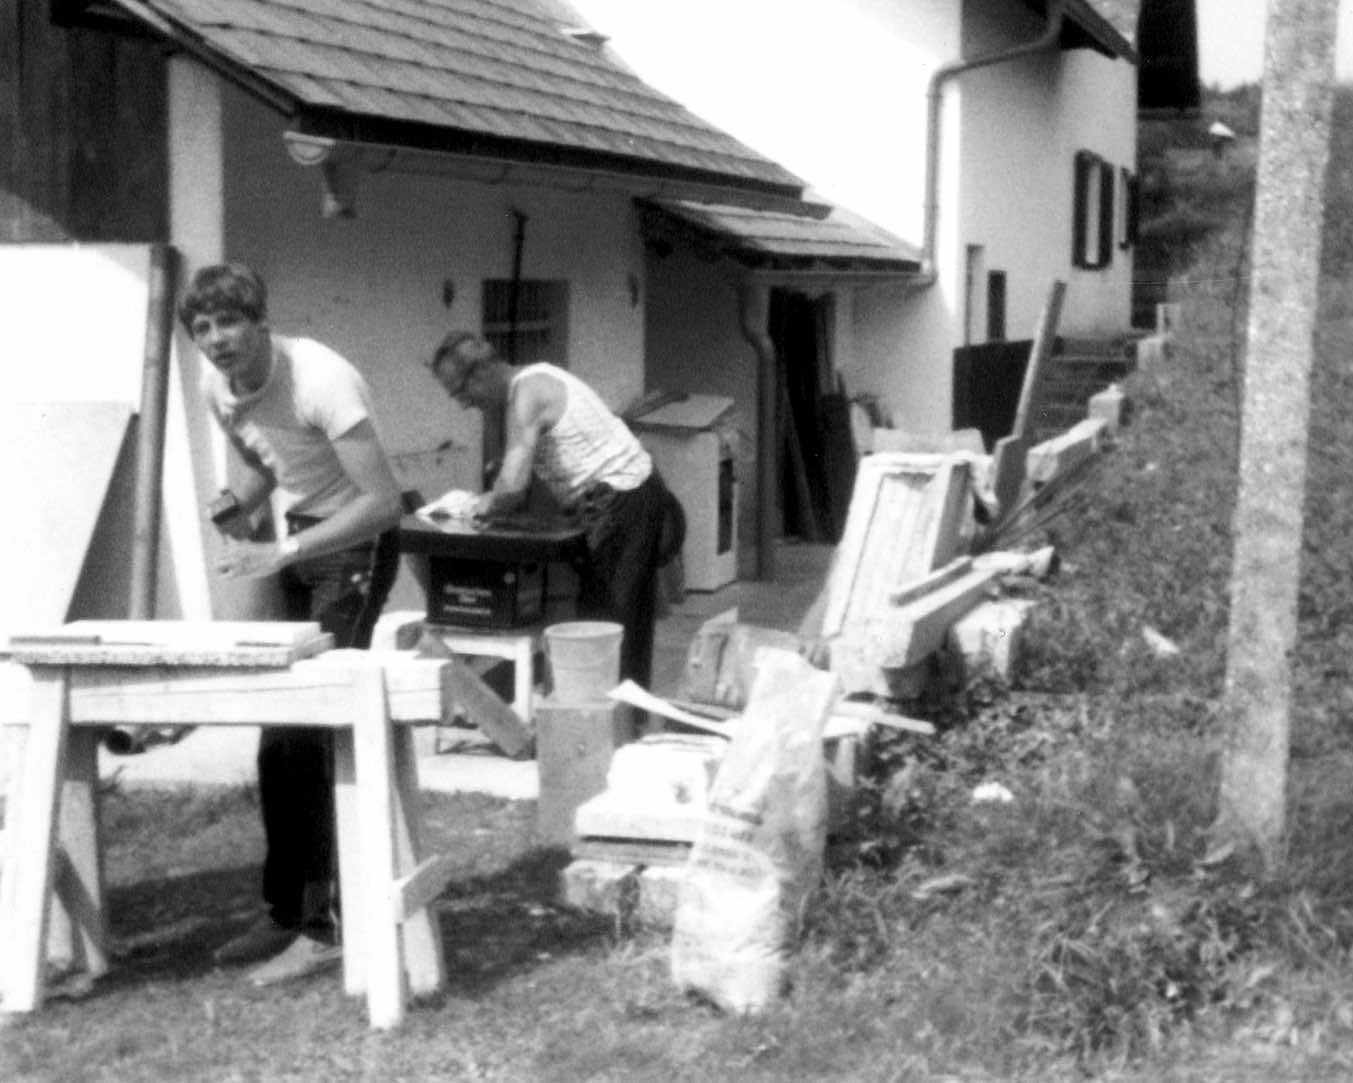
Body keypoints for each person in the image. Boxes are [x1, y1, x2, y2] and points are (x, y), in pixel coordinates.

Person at [180, 262, 403, 986]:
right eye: (202, 327)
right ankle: (284, 911)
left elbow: (381, 502)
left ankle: (327, 924)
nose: (215, 339)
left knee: (312, 730)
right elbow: (264, 466)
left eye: (228, 322)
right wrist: (229, 507)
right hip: (301, 545)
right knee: (277, 735)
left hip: (355, 545)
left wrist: (280, 546)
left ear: (260, 322)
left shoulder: (321, 379)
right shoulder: (220, 388)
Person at [426, 332, 682, 690]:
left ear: (481, 372)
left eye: (461, 392)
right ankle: (624, 718)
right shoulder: (539, 376)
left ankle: (604, 721)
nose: (464, 404)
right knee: (623, 627)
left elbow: (512, 488)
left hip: (618, 501)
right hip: (636, 492)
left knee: (605, 628)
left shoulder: (526, 393)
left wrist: (472, 505)